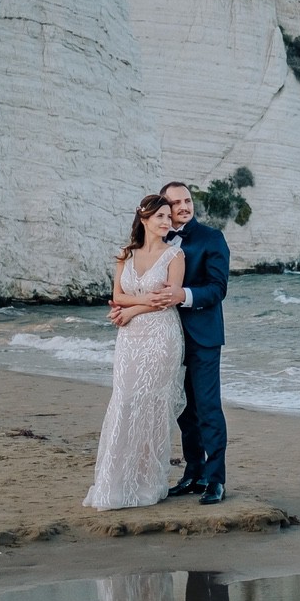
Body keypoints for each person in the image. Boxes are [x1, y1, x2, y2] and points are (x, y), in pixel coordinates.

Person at [85, 195, 186, 510]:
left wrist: (129, 311)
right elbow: (116, 294)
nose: (167, 222)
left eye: (169, 217)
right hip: (130, 340)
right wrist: (131, 310)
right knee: (125, 400)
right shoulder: (125, 255)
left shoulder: (175, 255)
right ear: (144, 219)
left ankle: (147, 484)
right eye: (160, 216)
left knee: (152, 405)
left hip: (162, 336)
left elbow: (167, 299)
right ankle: (113, 486)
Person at [143, 181, 232, 505]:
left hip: (203, 338)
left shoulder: (212, 238)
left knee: (208, 408)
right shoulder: (156, 239)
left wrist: (184, 295)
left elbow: (217, 288)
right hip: (167, 335)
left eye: (187, 200)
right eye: (176, 202)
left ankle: (215, 480)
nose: (184, 206)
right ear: (164, 208)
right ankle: (193, 473)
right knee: (183, 411)